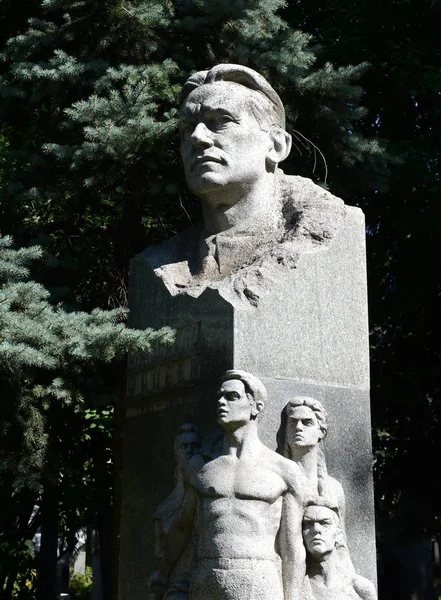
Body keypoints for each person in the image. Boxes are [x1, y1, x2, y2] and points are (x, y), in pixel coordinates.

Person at [145, 64, 345, 296]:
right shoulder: (160, 263)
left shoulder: (313, 231)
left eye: (221, 120)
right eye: (186, 129)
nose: (197, 137)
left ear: (276, 145)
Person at [149, 370, 307, 600]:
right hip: (207, 577)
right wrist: (163, 574)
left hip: (259, 578)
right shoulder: (205, 471)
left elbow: (292, 545)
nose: (221, 402)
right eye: (219, 397)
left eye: (232, 396)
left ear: (256, 407)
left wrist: (292, 597)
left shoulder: (283, 471)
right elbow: (182, 528)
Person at [277, 396, 346, 527]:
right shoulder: (275, 481)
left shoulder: (334, 488)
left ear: (321, 432)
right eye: (292, 422)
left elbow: (340, 541)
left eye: (307, 422)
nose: (298, 427)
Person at [152, 424, 202, 600]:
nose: (190, 450)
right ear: (176, 453)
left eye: (195, 446)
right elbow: (159, 554)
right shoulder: (163, 510)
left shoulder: (205, 496)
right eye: (184, 446)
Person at [301, 500, 377, 600]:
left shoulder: (360, 589)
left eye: (324, 523)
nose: (315, 529)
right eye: (308, 524)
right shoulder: (298, 586)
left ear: (338, 534)